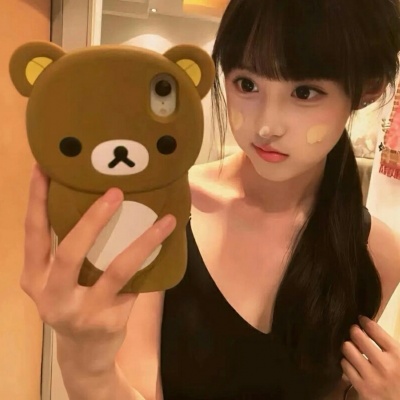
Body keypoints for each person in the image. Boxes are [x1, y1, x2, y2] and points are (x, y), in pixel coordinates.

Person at [22, 0, 400, 399]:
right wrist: (87, 363)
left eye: (304, 93)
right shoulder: (165, 213)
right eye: (247, 85)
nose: (267, 125)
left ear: (367, 90)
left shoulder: (376, 252)